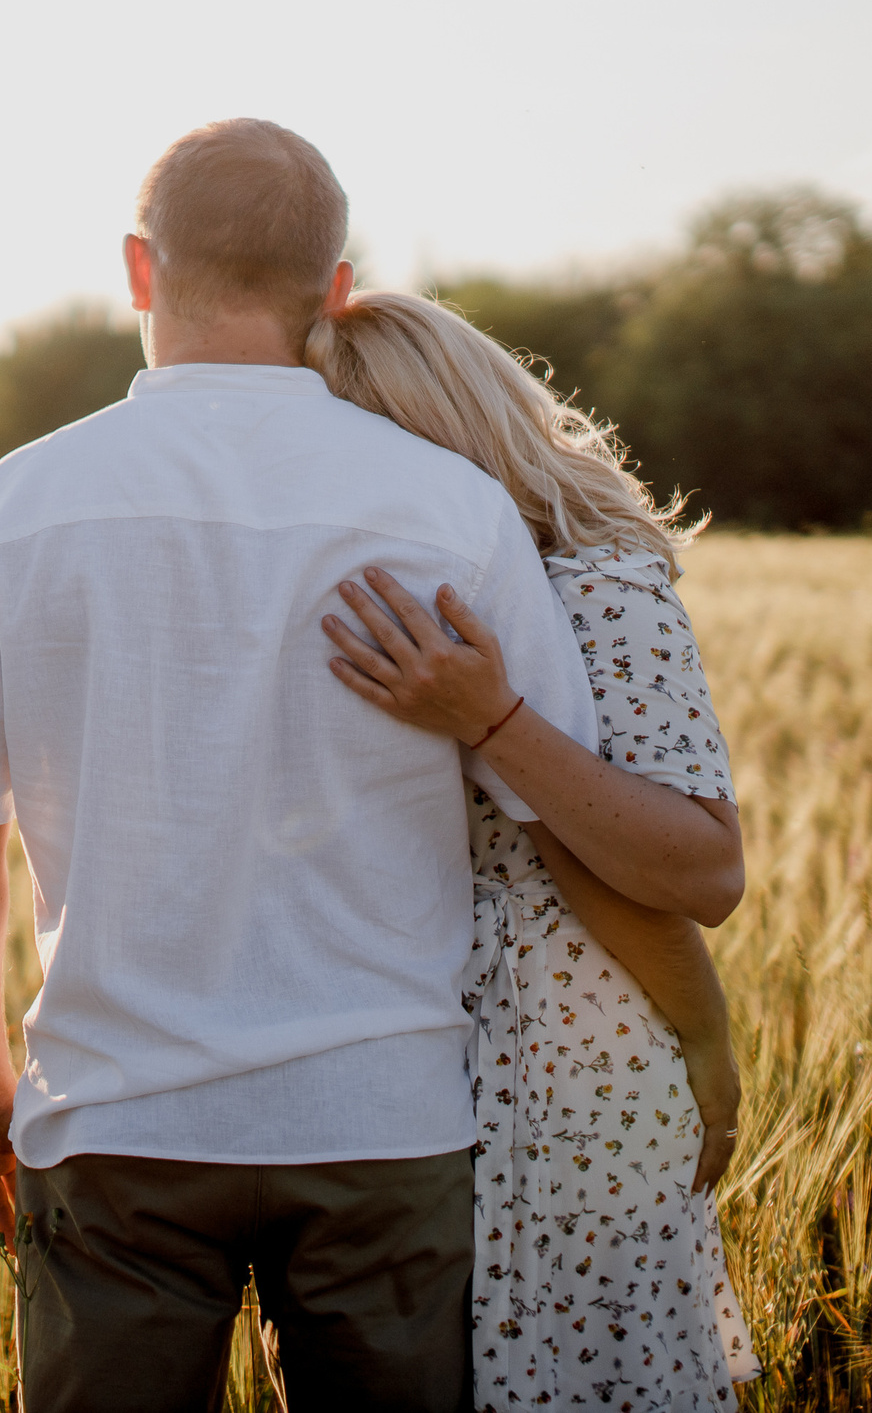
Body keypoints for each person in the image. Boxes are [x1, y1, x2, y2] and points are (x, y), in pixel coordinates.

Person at [0, 119, 666, 1409]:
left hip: (115, 1123)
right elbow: (547, 803)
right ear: (335, 289)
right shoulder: (450, 507)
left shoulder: (12, 505)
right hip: (390, 1119)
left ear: (137, 268)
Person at [306, 290, 760, 1408]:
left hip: (565, 1084)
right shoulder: (362, 599)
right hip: (403, 1079)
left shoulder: (597, 591)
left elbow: (697, 871)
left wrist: (495, 722)